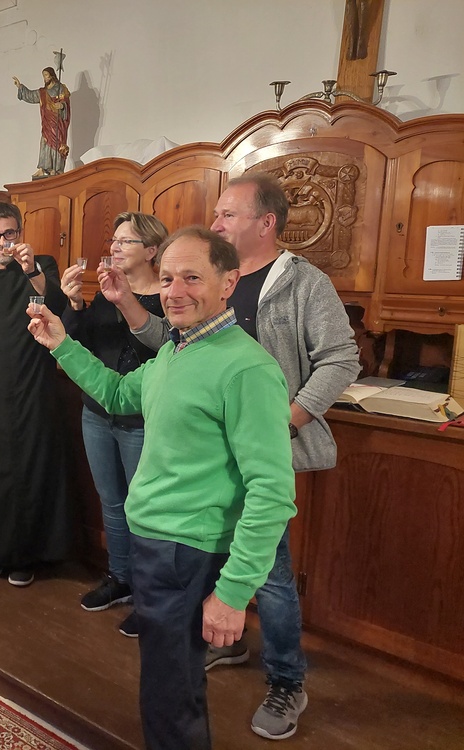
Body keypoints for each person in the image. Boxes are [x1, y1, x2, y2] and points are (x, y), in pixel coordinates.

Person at [27, 226, 297, 750]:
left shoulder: (247, 368)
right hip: (155, 542)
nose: (175, 291)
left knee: (170, 692)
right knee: (168, 682)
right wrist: (61, 344)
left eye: (192, 278)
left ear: (228, 282)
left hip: (188, 551)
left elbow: (271, 492)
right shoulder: (176, 350)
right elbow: (116, 393)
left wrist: (233, 592)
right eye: (168, 278)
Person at [205, 173, 360, 740]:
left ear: (265, 223)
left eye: (227, 214)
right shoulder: (217, 276)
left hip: (265, 452)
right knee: (216, 553)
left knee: (269, 572)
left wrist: (288, 420)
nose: (215, 224)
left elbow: (342, 359)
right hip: (212, 449)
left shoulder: (303, 282)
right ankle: (229, 642)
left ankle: (287, 680)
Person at [59, 213, 167, 636]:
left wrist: (125, 301)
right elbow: (81, 343)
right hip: (97, 413)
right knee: (112, 503)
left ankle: (148, 594)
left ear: (152, 250)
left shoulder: (166, 297)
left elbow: (163, 352)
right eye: (115, 240)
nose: (115, 248)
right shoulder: (105, 291)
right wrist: (74, 305)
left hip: (142, 418)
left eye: (126, 241)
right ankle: (120, 578)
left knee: (145, 509)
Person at [0, 201, 71, 587]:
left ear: (19, 234)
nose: (3, 242)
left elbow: (59, 307)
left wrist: (32, 271)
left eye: (9, 233)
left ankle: (27, 555)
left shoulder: (41, 265)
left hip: (32, 379)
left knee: (29, 465)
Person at [12, 67, 71, 178]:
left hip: (57, 123)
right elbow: (31, 95)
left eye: (46, 75)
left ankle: (56, 169)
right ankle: (43, 168)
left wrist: (62, 105)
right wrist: (20, 87)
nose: (45, 78)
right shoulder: (42, 92)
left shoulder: (61, 88)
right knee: (44, 142)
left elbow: (65, 102)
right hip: (47, 123)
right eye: (43, 76)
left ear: (52, 76)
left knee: (56, 144)